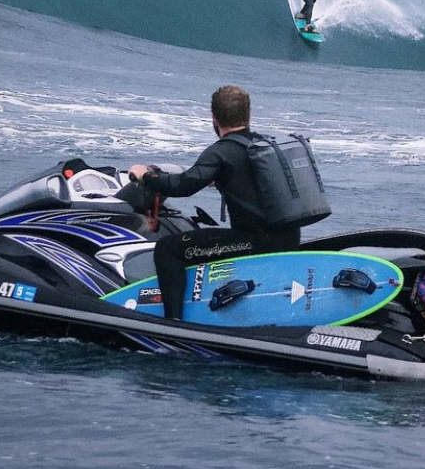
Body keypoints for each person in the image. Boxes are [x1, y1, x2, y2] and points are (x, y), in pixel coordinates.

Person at [128, 85, 301, 319]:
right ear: (249, 115)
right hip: (289, 238)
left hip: (255, 243)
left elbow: (182, 186)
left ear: (214, 119)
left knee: (168, 249)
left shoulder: (221, 152)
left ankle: (172, 323)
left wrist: (145, 176)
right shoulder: (264, 146)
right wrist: (218, 179)